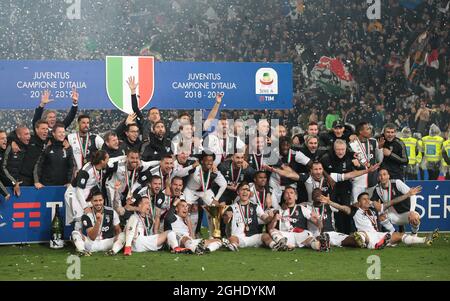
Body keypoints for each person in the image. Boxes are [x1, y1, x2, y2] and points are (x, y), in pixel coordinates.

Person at [320, 192, 439, 249]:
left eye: (368, 199)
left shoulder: (374, 210)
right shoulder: (354, 210)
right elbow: (342, 208)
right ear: (358, 202)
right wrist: (329, 202)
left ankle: (424, 239)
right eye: (364, 199)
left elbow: (392, 202)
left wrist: (408, 194)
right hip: (364, 234)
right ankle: (373, 244)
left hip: (377, 234)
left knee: (399, 235)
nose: (367, 201)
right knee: (359, 237)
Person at [221, 182, 285, 252]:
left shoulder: (256, 206)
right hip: (238, 237)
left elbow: (265, 219)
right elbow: (225, 221)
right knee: (232, 238)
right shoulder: (231, 207)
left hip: (253, 237)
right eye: (242, 189)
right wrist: (227, 216)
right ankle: (233, 245)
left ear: (250, 193)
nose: (245, 192)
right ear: (238, 192)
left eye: (247, 190)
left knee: (265, 236)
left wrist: (270, 217)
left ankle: (274, 246)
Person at [266, 187, 332, 251]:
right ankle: (282, 244)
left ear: (296, 197)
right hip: (286, 235)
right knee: (273, 230)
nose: (289, 195)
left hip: (301, 233)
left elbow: (320, 226)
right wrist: (274, 219)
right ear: (284, 197)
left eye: (291, 193)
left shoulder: (302, 208)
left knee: (310, 240)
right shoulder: (279, 211)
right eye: (286, 193)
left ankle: (321, 245)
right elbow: (270, 228)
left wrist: (318, 219)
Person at [320, 139, 361, 234]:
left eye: (343, 149)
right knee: (332, 208)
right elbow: (319, 168)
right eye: (338, 149)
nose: (340, 151)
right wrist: (328, 177)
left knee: (346, 208)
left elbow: (361, 169)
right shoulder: (326, 157)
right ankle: (333, 231)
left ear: (346, 149)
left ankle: (347, 232)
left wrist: (358, 165)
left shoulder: (351, 156)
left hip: (345, 186)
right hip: (331, 186)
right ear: (334, 149)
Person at [64, 150, 111, 231]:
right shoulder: (86, 171)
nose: (108, 161)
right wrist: (85, 206)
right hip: (74, 195)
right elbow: (79, 190)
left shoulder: (101, 168)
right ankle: (77, 240)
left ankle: (90, 238)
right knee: (79, 218)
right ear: (102, 161)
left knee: (91, 216)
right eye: (107, 159)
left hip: (85, 196)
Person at [71, 188, 125, 256]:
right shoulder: (87, 214)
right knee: (75, 233)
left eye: (100, 200)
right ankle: (83, 251)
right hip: (91, 244)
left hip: (107, 243)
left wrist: (118, 240)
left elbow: (118, 229)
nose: (98, 203)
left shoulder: (111, 212)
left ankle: (113, 251)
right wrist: (98, 222)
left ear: (103, 200)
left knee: (123, 235)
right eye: (95, 201)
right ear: (91, 201)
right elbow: (92, 237)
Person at [371, 168, 423, 234]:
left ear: (388, 176)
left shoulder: (396, 183)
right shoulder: (377, 189)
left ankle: (414, 233)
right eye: (380, 175)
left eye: (384, 174)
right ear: (378, 177)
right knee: (381, 217)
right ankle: (395, 234)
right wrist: (374, 204)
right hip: (392, 215)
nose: (382, 177)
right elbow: (373, 203)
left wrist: (412, 211)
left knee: (414, 218)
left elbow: (412, 195)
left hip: (406, 214)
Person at [349, 121, 383, 202]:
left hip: (372, 180)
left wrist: (380, 148)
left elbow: (379, 160)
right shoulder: (353, 143)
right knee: (356, 205)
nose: (370, 130)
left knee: (370, 206)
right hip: (358, 181)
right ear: (360, 131)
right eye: (367, 129)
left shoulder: (373, 142)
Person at [34, 122, 74, 187]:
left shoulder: (68, 148)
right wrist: (37, 181)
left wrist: (70, 182)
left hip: (63, 186)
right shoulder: (47, 146)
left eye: (63, 132)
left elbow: (72, 167)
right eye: (59, 132)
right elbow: (38, 165)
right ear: (53, 133)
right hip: (47, 186)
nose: (62, 134)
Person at [2, 126, 31, 197]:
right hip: (8, 185)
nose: (29, 136)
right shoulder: (9, 146)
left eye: (29, 134)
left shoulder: (26, 146)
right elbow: (3, 168)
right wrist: (14, 183)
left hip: (21, 185)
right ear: (18, 135)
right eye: (26, 134)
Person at [0, 130, 10, 201]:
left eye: (5, 138)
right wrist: (5, 193)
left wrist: (14, 183)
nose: (5, 140)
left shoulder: (2, 152)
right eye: (2, 138)